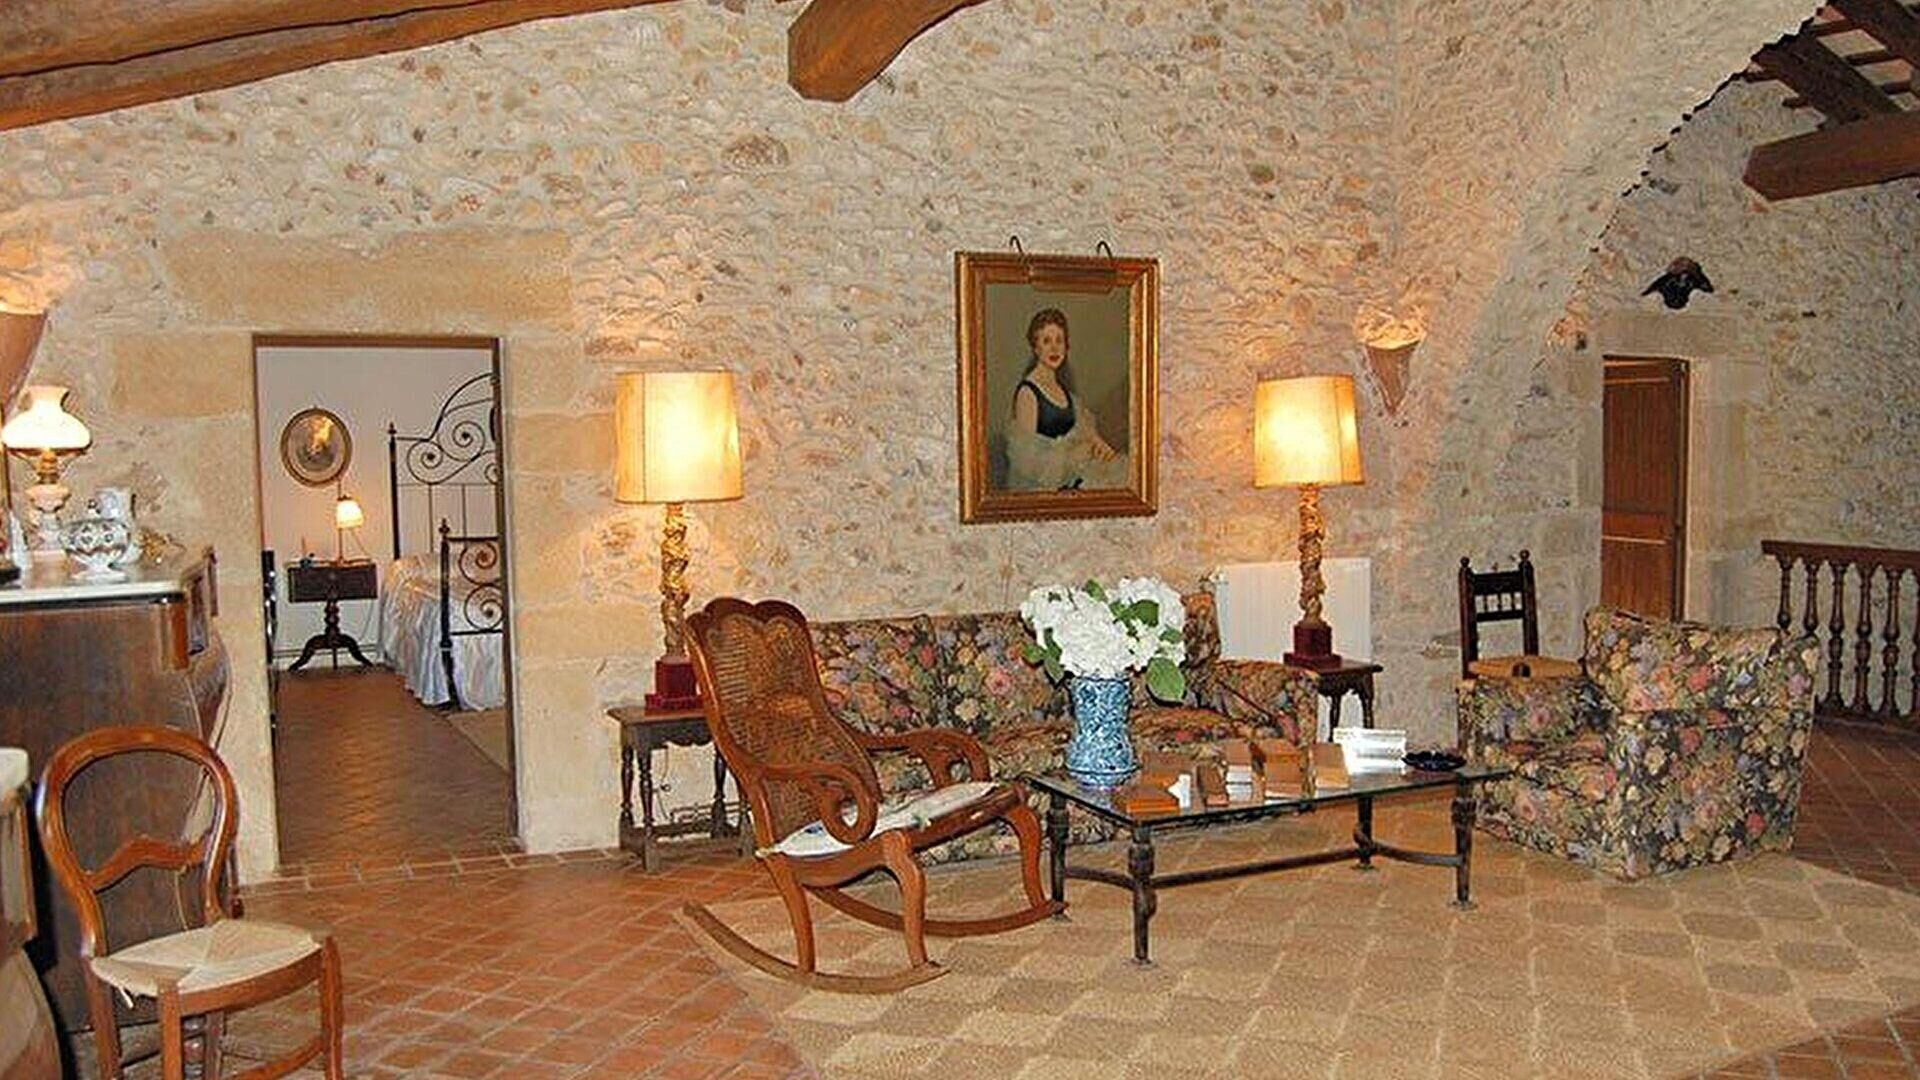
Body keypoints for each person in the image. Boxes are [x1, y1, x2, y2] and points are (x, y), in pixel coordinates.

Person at [1004, 308, 1128, 491]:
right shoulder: (1028, 393)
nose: (1054, 348)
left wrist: (1099, 445)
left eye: (1059, 341)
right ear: (1035, 347)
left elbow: (1086, 432)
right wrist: (1076, 454)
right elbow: (1027, 462)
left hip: (1073, 479)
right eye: (1046, 341)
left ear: (1066, 346)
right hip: (1044, 489)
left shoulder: (1065, 393)